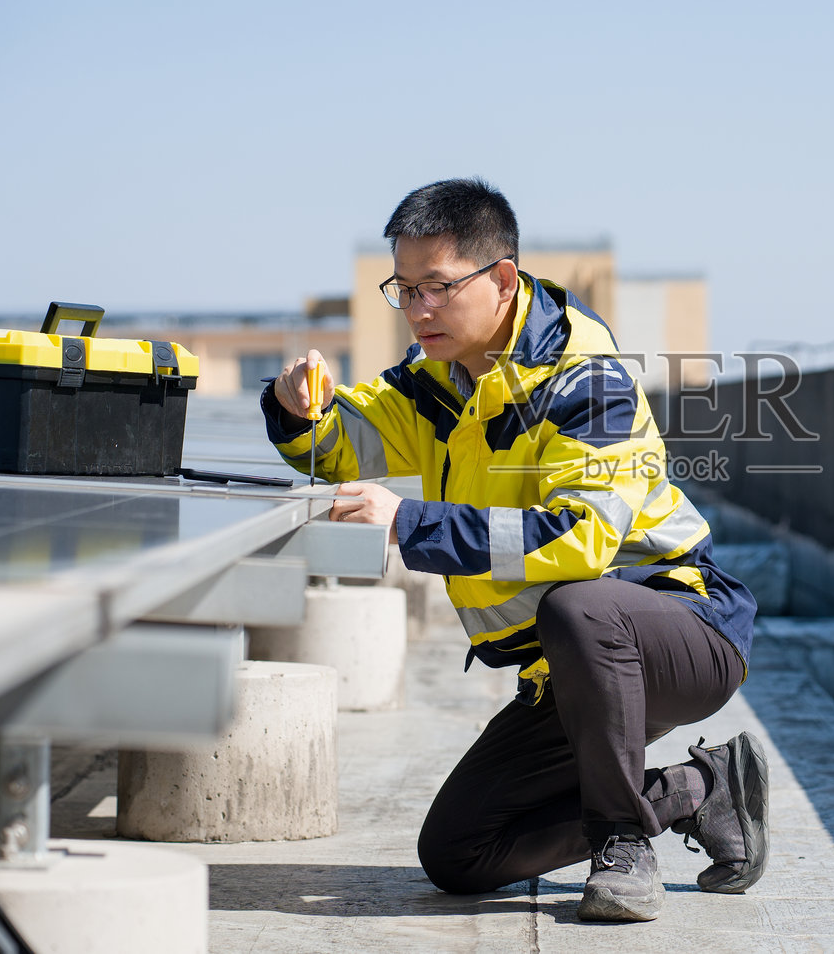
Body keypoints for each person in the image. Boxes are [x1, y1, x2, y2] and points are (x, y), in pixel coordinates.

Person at [262, 178, 765, 922]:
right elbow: (350, 444)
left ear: (501, 278)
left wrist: (411, 523)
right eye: (403, 288)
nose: (419, 308)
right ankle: (702, 789)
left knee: (579, 603)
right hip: (567, 664)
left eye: (436, 286)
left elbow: (578, 535)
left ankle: (624, 842)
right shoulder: (439, 375)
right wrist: (301, 408)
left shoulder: (585, 373)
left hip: (685, 628)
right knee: (461, 852)